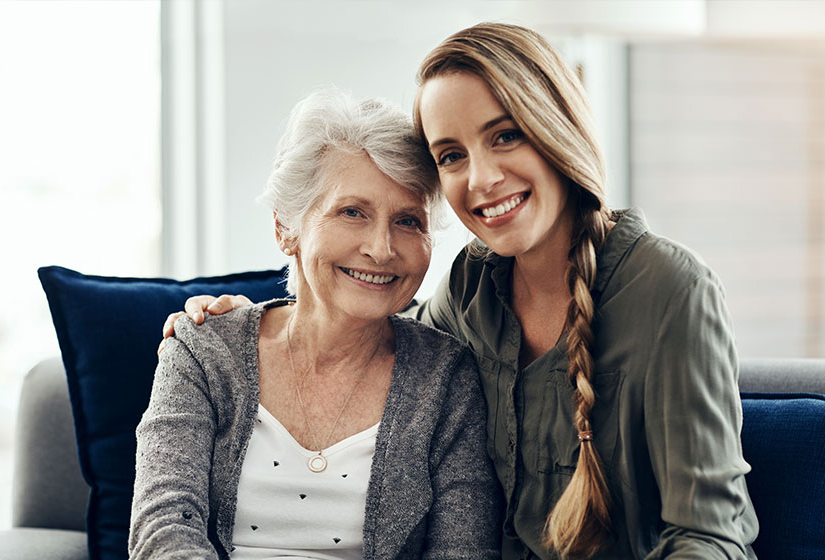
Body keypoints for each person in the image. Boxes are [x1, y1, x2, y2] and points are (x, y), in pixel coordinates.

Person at [163, 23, 758, 559]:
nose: (481, 178)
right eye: (452, 155)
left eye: (504, 137)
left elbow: (709, 537)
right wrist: (244, 331)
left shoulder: (668, 289)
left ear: (556, 129)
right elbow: (368, 320)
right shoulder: (474, 287)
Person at [130, 88, 502, 559]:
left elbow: (462, 552)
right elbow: (162, 531)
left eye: (408, 221)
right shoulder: (203, 349)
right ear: (287, 227)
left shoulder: (447, 378)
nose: (382, 248)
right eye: (352, 212)